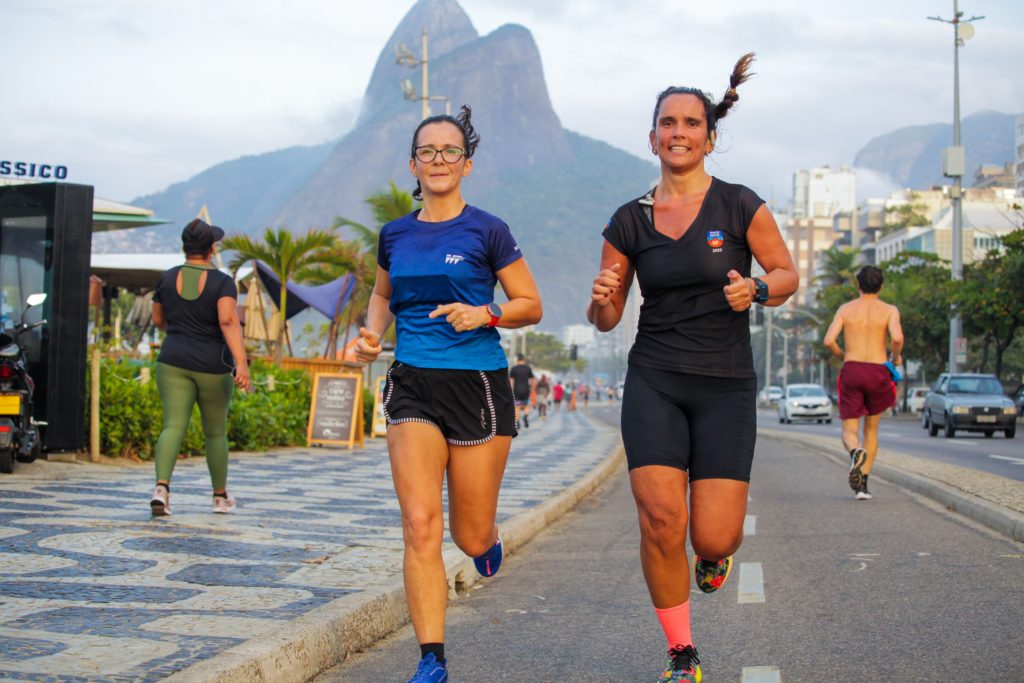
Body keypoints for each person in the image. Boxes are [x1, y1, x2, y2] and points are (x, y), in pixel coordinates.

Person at [587, 53, 798, 682]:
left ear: (709, 135)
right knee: (660, 520)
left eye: (691, 123)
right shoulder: (629, 220)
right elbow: (607, 315)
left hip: (726, 385)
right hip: (655, 378)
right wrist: (601, 303)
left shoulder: (739, 206)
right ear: (651, 136)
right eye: (667, 123)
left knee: (712, 537)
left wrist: (757, 291)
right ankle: (682, 654)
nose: (678, 132)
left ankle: (714, 558)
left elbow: (787, 273)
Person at [353, 105, 542, 683]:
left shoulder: (488, 229)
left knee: (468, 533)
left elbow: (529, 304)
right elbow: (384, 296)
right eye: (428, 152)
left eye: (449, 152)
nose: (438, 160)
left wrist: (484, 313)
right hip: (412, 382)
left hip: (479, 387)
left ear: (467, 164)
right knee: (418, 522)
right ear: (414, 164)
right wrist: (370, 335)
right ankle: (431, 659)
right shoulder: (395, 234)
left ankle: (486, 543)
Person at [149, 219, 250, 516]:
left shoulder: (166, 279)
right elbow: (228, 322)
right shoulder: (222, 282)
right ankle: (220, 497)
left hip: (173, 361)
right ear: (211, 249)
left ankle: (161, 489)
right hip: (212, 365)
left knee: (172, 426)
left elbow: (158, 320)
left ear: (184, 247)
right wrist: (241, 364)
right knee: (215, 432)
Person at [823, 265, 904, 500]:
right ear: (881, 286)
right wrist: (895, 358)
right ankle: (862, 486)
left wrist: (843, 355)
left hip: (853, 368)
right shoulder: (889, 310)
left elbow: (829, 340)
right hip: (878, 370)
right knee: (871, 429)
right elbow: (897, 338)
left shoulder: (846, 309)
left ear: (858, 285)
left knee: (849, 429)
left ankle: (854, 453)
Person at [509, 354, 535, 428]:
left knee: (517, 407)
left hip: (516, 391)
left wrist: (510, 390)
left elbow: (511, 381)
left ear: (517, 360)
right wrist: (532, 388)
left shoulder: (514, 368)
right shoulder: (528, 368)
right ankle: (525, 416)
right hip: (526, 390)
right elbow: (532, 379)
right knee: (526, 405)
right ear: (523, 360)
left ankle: (517, 422)